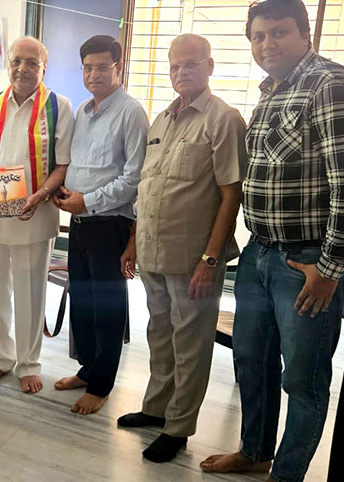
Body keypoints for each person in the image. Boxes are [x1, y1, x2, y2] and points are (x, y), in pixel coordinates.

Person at [201, 0, 344, 482]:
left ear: (305, 33)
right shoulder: (271, 91)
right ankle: (255, 452)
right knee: (251, 362)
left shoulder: (333, 85)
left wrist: (330, 270)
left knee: (302, 378)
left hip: (308, 263)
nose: (267, 44)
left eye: (279, 32)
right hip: (260, 253)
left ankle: (287, 474)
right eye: (258, 36)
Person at [117, 34, 246, 462]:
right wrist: (133, 242)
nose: (181, 72)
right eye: (175, 65)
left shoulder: (223, 120)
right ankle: (156, 408)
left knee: (190, 342)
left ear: (209, 67)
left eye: (191, 64)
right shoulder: (161, 120)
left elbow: (231, 194)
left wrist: (211, 258)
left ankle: (178, 427)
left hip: (193, 260)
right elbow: (148, 187)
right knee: (160, 334)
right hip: (153, 251)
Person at [0, 36, 73, 394]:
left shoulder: (58, 106)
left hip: (36, 211)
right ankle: (2, 357)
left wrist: (41, 195)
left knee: (29, 291)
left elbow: (64, 164)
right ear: (8, 64)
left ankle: (28, 362)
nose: (22, 69)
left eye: (32, 62)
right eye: (16, 61)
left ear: (44, 68)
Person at [54, 35, 148, 414]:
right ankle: (88, 369)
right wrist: (65, 193)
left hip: (110, 223)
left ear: (118, 68)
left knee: (107, 306)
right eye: (88, 67)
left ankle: (102, 384)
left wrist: (87, 201)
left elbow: (134, 178)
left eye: (102, 67)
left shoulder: (131, 113)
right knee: (83, 300)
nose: (94, 74)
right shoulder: (82, 110)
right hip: (80, 222)